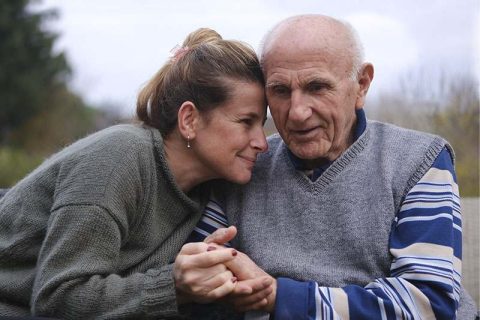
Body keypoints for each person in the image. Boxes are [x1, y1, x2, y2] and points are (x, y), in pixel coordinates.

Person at [204, 14, 478, 319]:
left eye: (317, 87)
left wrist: (279, 297)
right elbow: (202, 277)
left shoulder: (418, 159)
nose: (297, 112)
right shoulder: (245, 165)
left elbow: (429, 305)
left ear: (361, 85)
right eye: (280, 90)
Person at [0, 28, 272, 318]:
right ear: (189, 120)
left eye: (261, 124)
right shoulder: (119, 158)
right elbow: (56, 300)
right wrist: (174, 286)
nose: (263, 143)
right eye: (246, 122)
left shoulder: (203, 191)